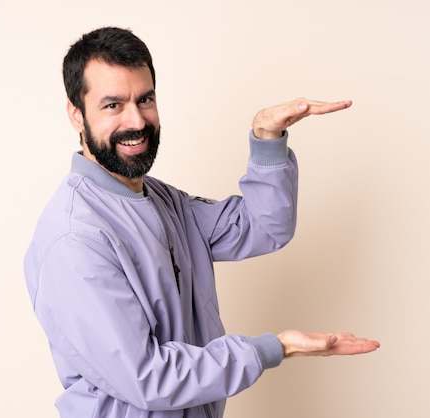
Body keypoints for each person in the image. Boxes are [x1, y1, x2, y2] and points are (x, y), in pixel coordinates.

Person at [23, 26, 380, 418]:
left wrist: (267, 138)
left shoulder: (161, 201)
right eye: (112, 105)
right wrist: (274, 348)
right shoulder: (75, 238)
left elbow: (264, 227)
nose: (136, 121)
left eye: (145, 99)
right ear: (76, 114)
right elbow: (149, 378)